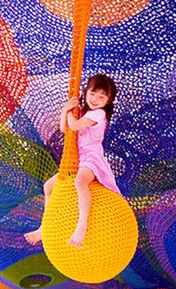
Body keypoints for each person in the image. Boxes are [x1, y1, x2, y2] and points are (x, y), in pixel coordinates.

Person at [24, 74, 120, 247]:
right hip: (77, 159)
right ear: (86, 92)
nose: (96, 99)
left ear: (108, 100)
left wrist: (69, 111)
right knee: (49, 186)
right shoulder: (83, 112)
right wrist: (66, 110)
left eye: (102, 97)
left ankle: (81, 225)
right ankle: (44, 227)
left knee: (80, 182)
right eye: (93, 93)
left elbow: (74, 126)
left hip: (92, 158)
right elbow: (64, 128)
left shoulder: (99, 114)